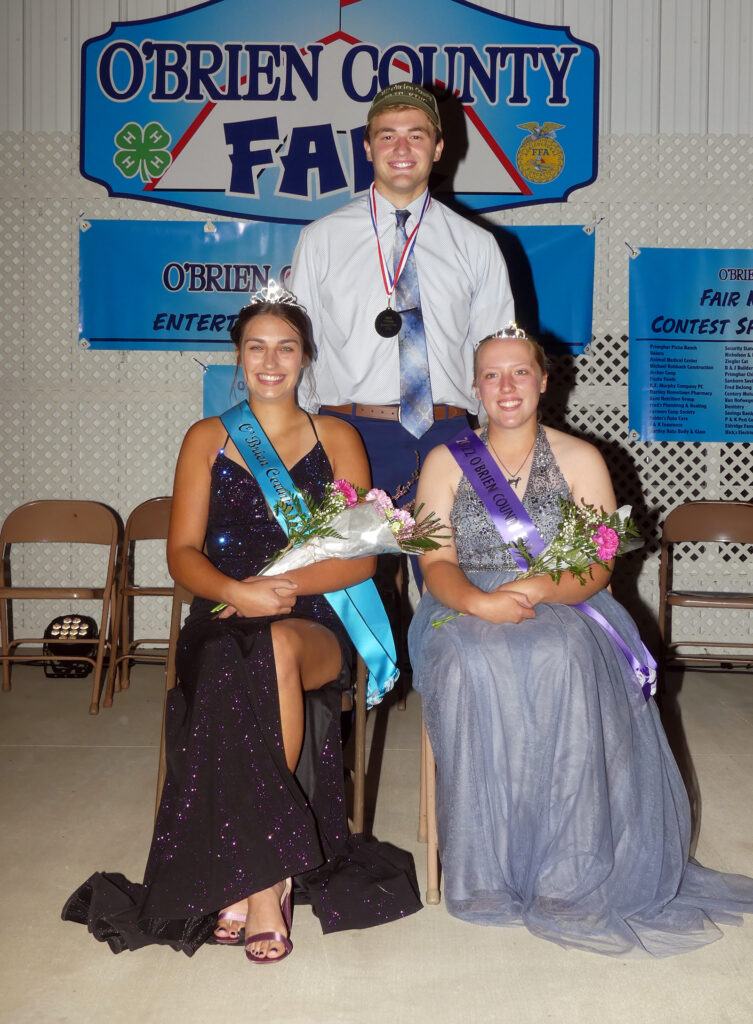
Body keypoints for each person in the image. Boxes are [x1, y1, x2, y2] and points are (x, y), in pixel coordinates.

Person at [62, 286, 419, 961]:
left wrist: (269, 592)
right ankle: (266, 875)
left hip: (312, 619)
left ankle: (256, 875)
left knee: (275, 648)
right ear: (238, 355)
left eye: (285, 347)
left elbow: (356, 564)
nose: (270, 359)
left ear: (306, 357)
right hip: (223, 616)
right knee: (237, 659)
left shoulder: (336, 436)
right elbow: (180, 556)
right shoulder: (206, 438)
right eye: (256, 346)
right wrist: (236, 593)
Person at [407, 325, 753, 956]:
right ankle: (482, 874)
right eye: (492, 374)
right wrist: (481, 601)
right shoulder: (444, 461)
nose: (506, 386)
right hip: (462, 598)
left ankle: (567, 870)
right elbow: (436, 563)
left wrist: (537, 590)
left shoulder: (582, 459)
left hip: (563, 594)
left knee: (560, 655)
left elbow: (595, 568)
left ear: (544, 380)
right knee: (464, 663)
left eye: (519, 372)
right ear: (475, 387)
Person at [289, 81, 515, 504]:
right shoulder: (321, 240)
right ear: (368, 148)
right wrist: (303, 435)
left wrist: (497, 437)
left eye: (417, 135)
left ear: (439, 148)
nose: (401, 147)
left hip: (449, 435)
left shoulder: (476, 245)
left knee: (452, 571)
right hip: (347, 433)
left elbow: (498, 356)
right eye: (387, 135)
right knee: (350, 572)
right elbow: (298, 348)